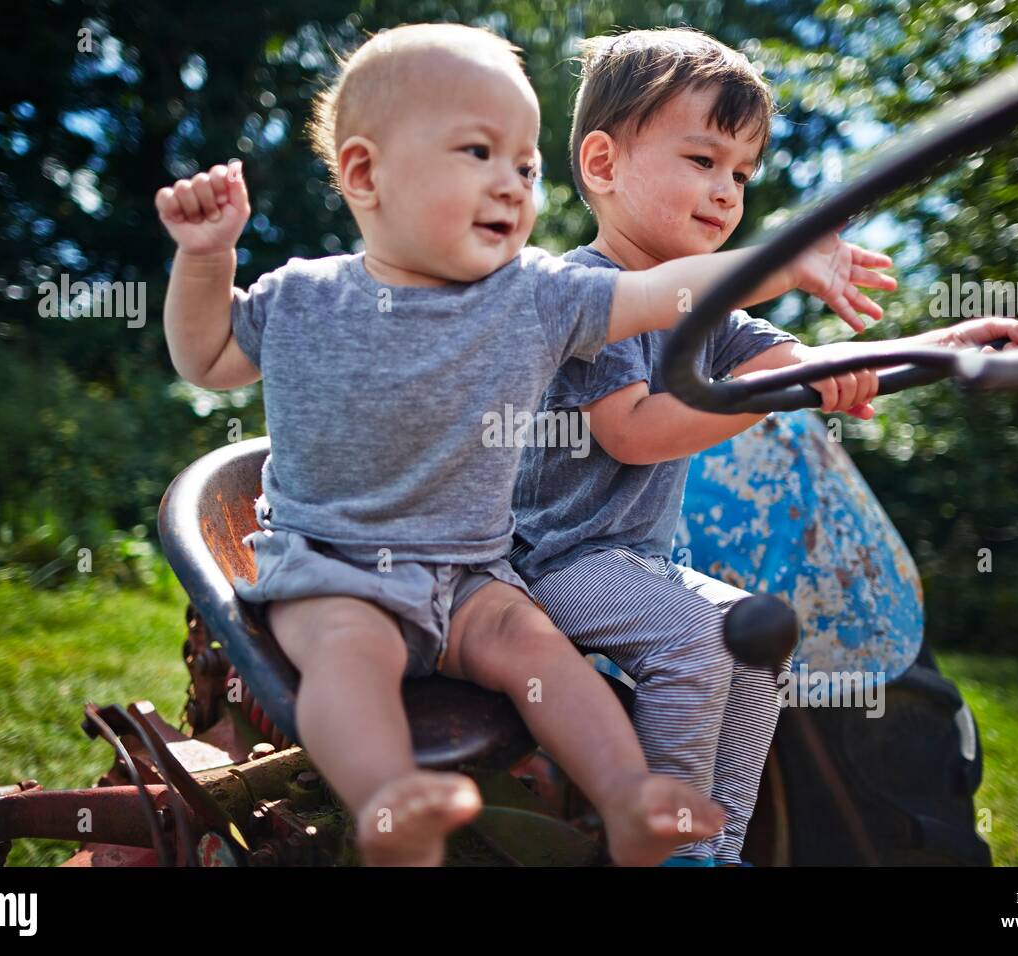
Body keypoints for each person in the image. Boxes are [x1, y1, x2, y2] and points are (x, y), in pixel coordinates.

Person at [154, 23, 884, 866]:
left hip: (473, 573)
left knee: (546, 658)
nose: (512, 184)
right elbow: (206, 358)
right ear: (365, 174)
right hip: (338, 564)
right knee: (351, 655)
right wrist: (205, 262)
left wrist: (796, 274)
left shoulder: (533, 295)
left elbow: (674, 292)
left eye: (526, 166)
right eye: (478, 152)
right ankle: (390, 798)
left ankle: (638, 804)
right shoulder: (304, 295)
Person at [512, 27, 1018, 865]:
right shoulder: (589, 296)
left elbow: (813, 363)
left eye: (742, 174)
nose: (727, 193)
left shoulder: (707, 320)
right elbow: (634, 434)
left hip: (629, 562)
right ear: (603, 165)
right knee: (697, 635)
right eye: (703, 160)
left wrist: (950, 346)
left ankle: (719, 846)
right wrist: (765, 399)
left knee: (760, 635)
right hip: (550, 566)